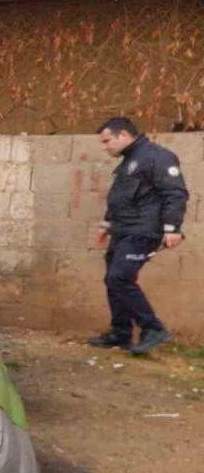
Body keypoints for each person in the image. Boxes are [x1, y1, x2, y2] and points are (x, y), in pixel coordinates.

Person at [88, 117, 189, 354]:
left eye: (107, 141)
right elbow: (120, 196)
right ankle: (120, 333)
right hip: (123, 230)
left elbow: (175, 194)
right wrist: (106, 224)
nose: (104, 147)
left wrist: (172, 229)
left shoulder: (157, 156)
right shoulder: (130, 160)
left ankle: (153, 328)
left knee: (120, 278)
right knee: (112, 280)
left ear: (123, 135)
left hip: (143, 230)